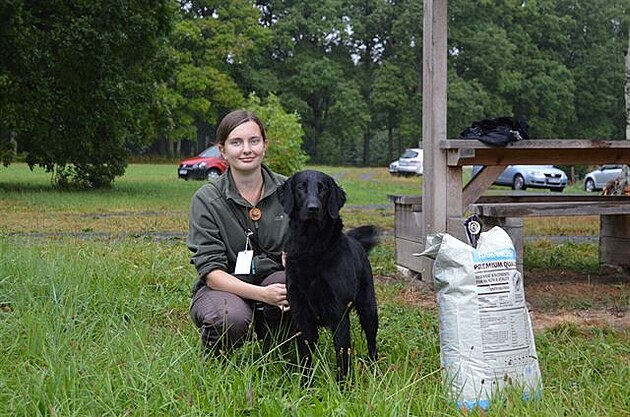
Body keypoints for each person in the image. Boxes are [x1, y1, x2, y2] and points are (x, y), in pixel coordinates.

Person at [187, 109, 291, 353]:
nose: (247, 149)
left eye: (254, 141)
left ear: (265, 145)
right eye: (236, 142)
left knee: (300, 287)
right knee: (227, 318)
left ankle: (280, 349)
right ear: (222, 150)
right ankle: (216, 363)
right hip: (224, 286)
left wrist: (297, 251)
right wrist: (262, 295)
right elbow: (211, 273)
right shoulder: (207, 199)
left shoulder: (291, 189)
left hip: (276, 280)